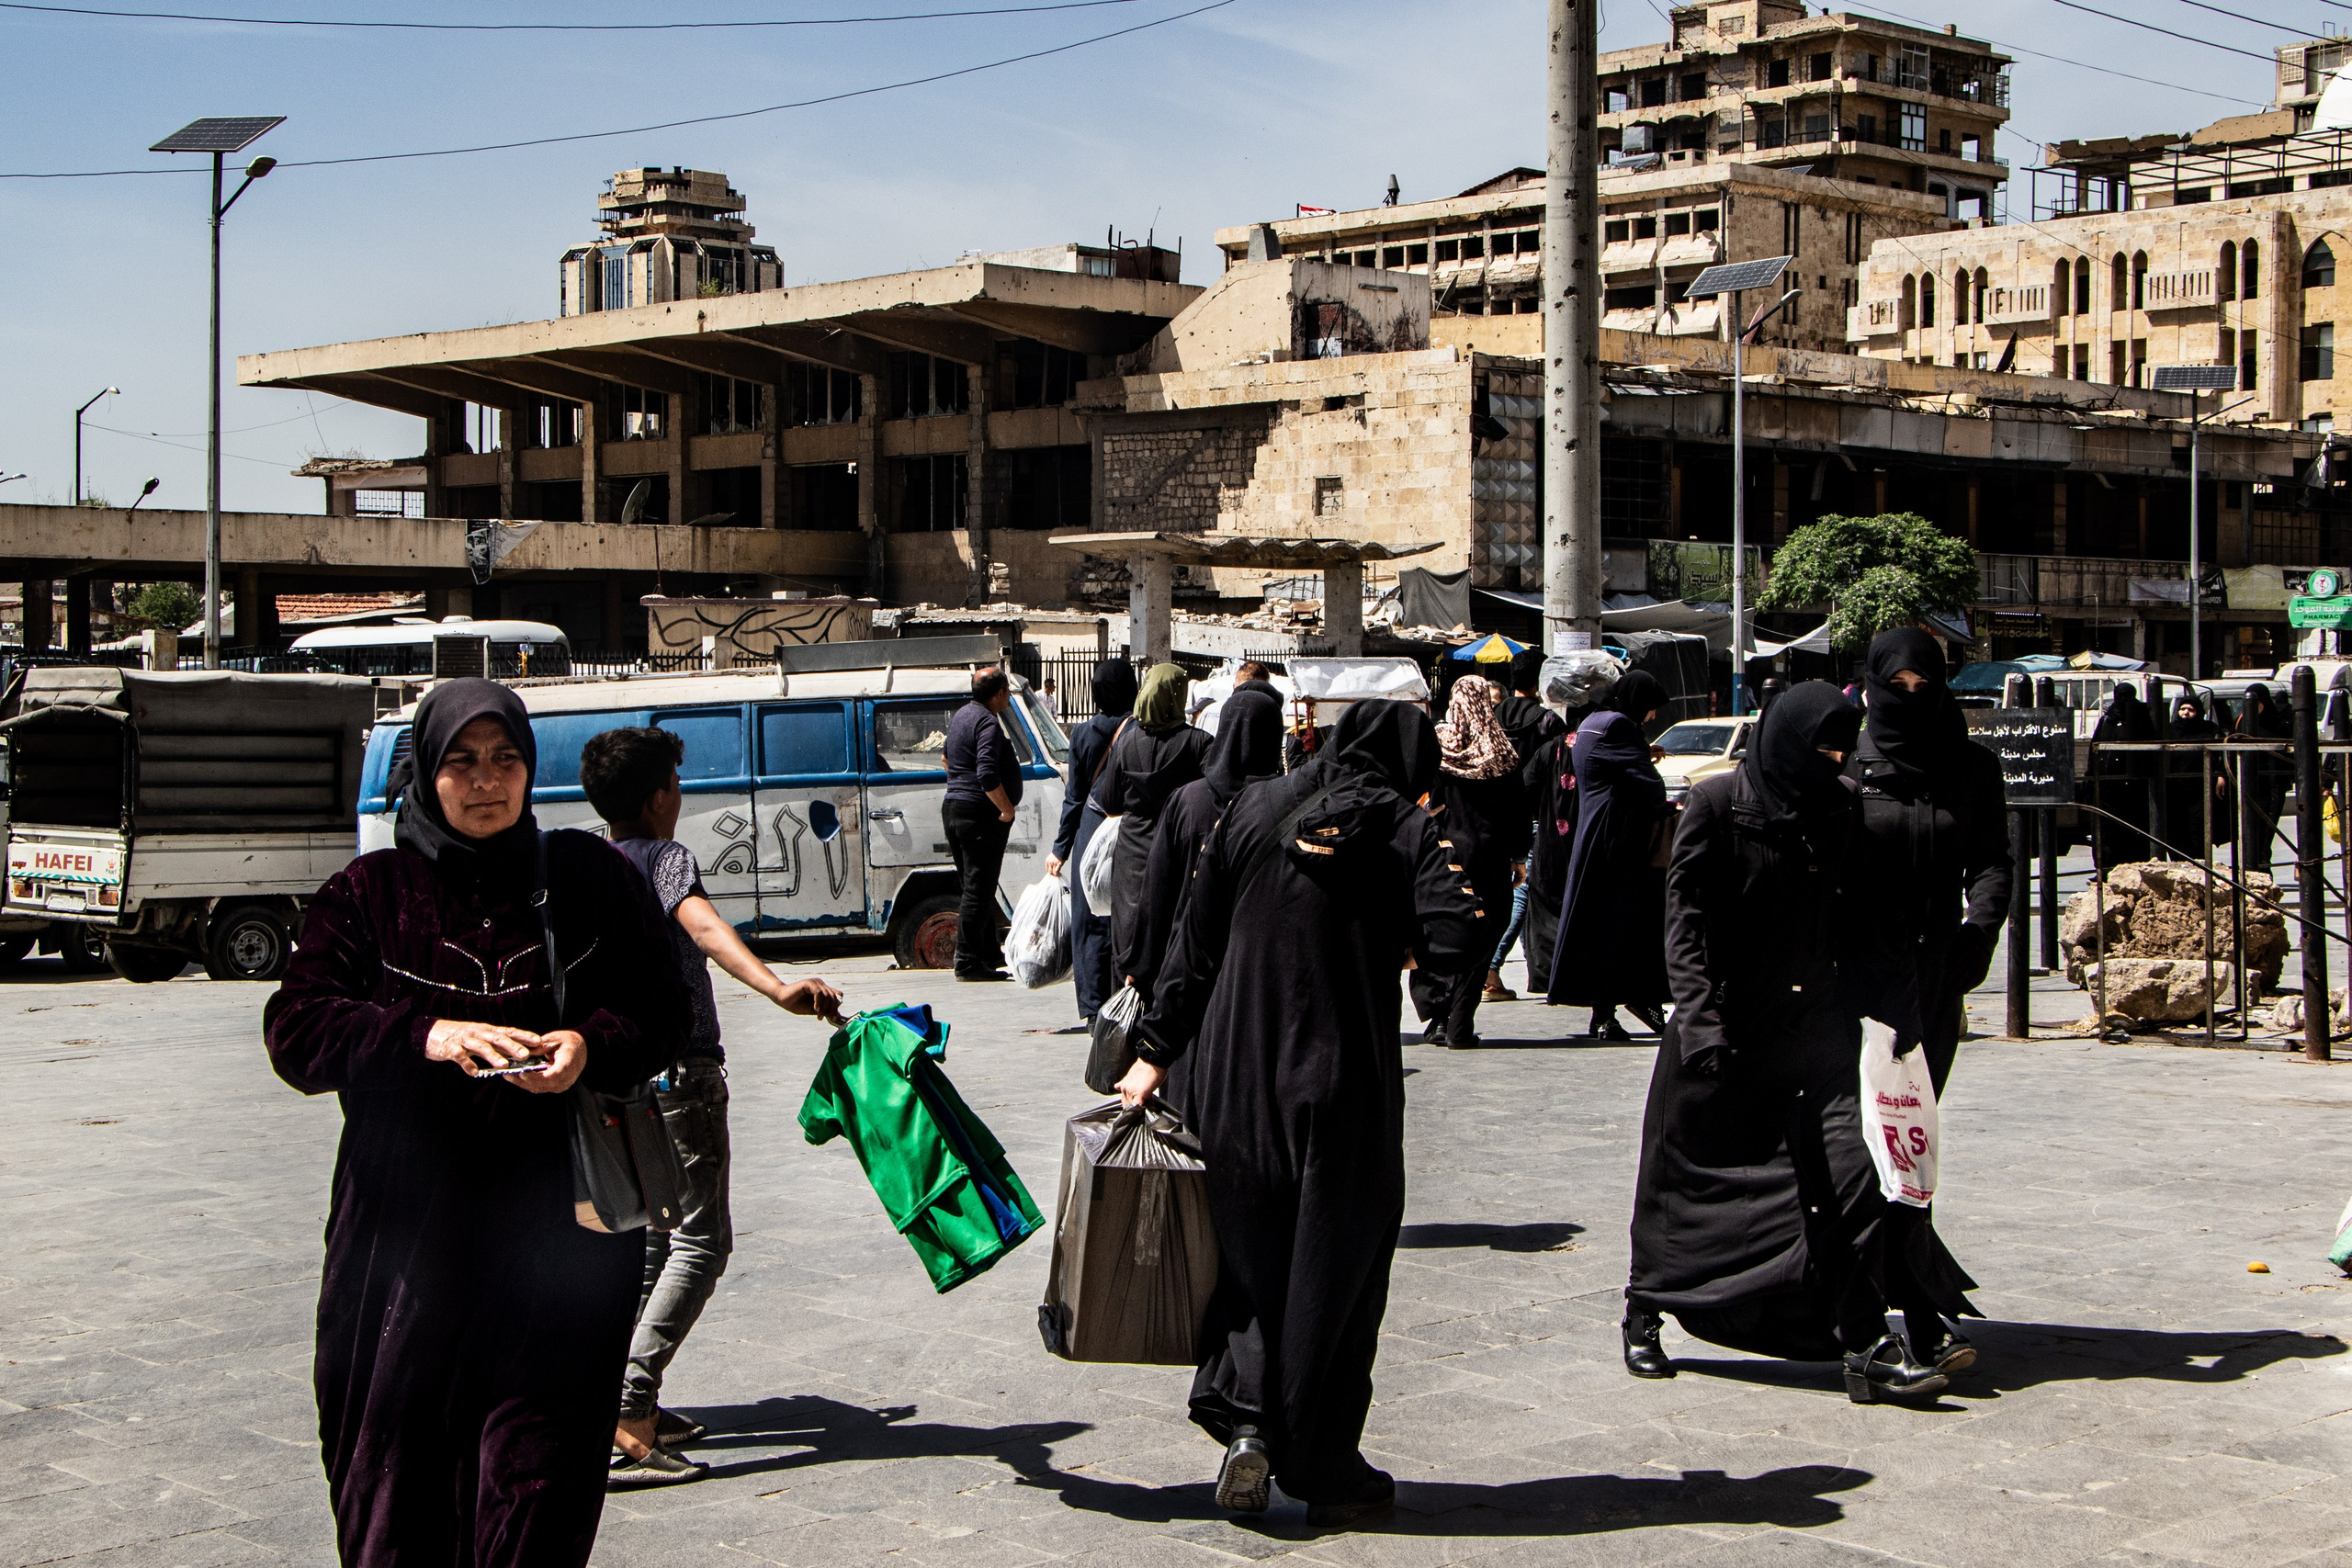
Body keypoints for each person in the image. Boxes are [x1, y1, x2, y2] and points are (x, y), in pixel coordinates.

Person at [263, 679, 689, 1565]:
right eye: (462, 760)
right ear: (427, 770)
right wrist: (426, 1034)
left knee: (540, 1483)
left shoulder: (587, 877)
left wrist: (586, 1044)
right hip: (404, 1247)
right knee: (394, 1481)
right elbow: (297, 1031)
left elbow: (661, 1009)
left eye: (506, 759)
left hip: (558, 1245)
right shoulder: (370, 892)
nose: (486, 780)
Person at [1116, 700, 1480, 1527]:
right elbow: (1457, 938)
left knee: (1248, 1253)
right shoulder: (1403, 825)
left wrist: (1153, 1053)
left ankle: (1247, 1422)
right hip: (1345, 1083)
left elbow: (1193, 943)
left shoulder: (1255, 805)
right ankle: (1322, 1458)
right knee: (1336, 1264)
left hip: (1237, 1073)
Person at [1623, 682, 1973, 1404]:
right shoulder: (1718, 806)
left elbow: (1868, 922)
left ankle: (1867, 1344)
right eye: (1823, 749)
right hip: (1721, 1036)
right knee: (1686, 1192)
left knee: (1856, 1177)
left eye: (1844, 750)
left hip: (1816, 1035)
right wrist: (1702, 1023)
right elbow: (1684, 924)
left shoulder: (1841, 808)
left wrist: (1899, 1017)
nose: (1836, 762)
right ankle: (1644, 1307)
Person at [577, 727, 844, 1486]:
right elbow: (703, 925)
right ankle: (628, 1406)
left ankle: (611, 1396)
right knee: (701, 1242)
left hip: (623, 1080)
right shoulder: (666, 860)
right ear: (661, 794)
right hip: (681, 1074)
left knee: (657, 1242)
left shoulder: (591, 864)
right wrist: (778, 986)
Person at [1841, 628, 2010, 1096]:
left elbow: (1991, 862)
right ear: (1875, 688)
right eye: (1898, 687)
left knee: (1915, 1117)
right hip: (1856, 968)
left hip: (1936, 968)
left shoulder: (1972, 768)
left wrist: (1978, 938)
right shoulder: (1848, 764)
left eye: (1923, 686)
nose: (1912, 698)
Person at [1132, 684, 1286, 1111]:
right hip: (1252, 975)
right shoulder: (1281, 808)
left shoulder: (1188, 801)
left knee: (1188, 1091)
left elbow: (1156, 895)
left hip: (1185, 968)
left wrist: (1141, 968)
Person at [1546, 670, 1672, 1038]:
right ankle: (1616, 1008)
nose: (1651, 717)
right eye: (1650, 709)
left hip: (1594, 837)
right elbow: (1650, 789)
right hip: (1616, 842)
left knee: (1602, 926)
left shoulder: (1594, 722)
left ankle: (1613, 1008)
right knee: (1623, 926)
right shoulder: (1618, 726)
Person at [1412, 676, 1530, 1047]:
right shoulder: (1501, 751)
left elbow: (1419, 798)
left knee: (1436, 929)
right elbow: (1517, 811)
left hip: (1441, 855)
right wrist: (1519, 856)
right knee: (1484, 931)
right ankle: (1461, 1016)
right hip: (1489, 857)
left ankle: (1436, 1018)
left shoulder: (1437, 748)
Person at [1092, 662, 1211, 987]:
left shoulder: (1127, 742)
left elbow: (1110, 801)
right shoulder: (1199, 743)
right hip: (1178, 849)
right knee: (1170, 931)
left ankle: (1124, 1019)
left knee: (1129, 932)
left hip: (1132, 852)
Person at [1046, 660, 1139, 1023]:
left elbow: (1074, 795)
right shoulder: (1140, 728)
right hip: (1131, 828)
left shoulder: (1084, 733)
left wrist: (1060, 848)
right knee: (1127, 911)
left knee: (1089, 917)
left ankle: (1092, 1007)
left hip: (1091, 826)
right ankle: (1125, 997)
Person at [1484, 649, 1566, 1001]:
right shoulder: (1548, 723)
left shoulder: (1491, 718)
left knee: (1502, 894)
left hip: (1491, 818)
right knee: (1521, 895)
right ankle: (1491, 968)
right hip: (1533, 817)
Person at [942, 669, 1023, 980]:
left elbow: (945, 758)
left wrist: (959, 786)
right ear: (1000, 692)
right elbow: (987, 774)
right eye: (1008, 691)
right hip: (978, 814)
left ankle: (988, 952)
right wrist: (1006, 810)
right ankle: (966, 961)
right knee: (978, 888)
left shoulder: (963, 715)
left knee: (977, 886)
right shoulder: (987, 722)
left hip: (955, 808)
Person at [2159, 692, 2234, 860]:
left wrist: (2221, 775)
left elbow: (2221, 756)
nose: (2185, 713)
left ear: (2198, 712)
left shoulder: (2209, 730)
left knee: (2198, 830)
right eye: (2183, 709)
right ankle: (2180, 865)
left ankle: (2199, 868)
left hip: (2199, 791)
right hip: (2174, 791)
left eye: (2191, 710)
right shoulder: (2169, 730)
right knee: (2175, 832)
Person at [2089, 683, 2156, 869]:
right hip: (2107, 787)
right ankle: (2106, 867)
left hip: (2133, 788)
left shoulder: (2140, 718)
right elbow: (2095, 748)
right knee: (2106, 830)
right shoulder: (2108, 719)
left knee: (2132, 829)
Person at [2234, 682, 2293, 878]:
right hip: (2248, 786)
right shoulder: (2242, 723)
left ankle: (2262, 874)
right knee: (2248, 834)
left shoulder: (2278, 724)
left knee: (2265, 834)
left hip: (2273, 786)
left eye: (2258, 702)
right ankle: (2251, 874)